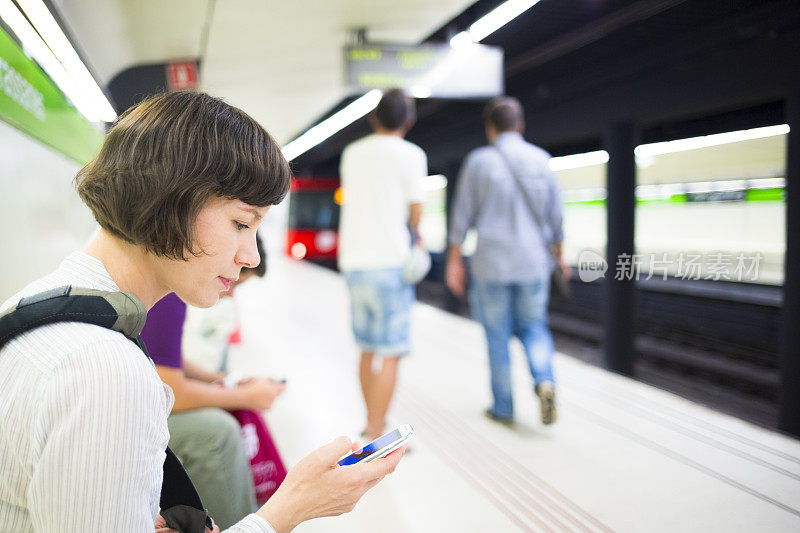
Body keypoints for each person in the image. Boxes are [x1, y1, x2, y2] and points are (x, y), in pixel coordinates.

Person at [0, 91, 404, 533]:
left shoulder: (38, 306)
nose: (250, 255)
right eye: (241, 223)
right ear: (172, 197)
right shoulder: (106, 370)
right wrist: (289, 510)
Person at [141, 234, 285, 529]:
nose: (230, 293)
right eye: (241, 224)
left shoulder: (161, 281)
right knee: (218, 432)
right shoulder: (170, 294)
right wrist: (245, 397)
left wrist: (227, 381)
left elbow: (167, 364)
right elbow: (173, 392)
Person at [446, 96, 570, 426]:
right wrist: (561, 255)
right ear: (520, 126)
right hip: (533, 264)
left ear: (490, 128)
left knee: (497, 336)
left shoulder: (479, 161)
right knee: (534, 328)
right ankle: (544, 380)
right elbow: (556, 217)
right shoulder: (541, 160)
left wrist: (454, 260)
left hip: (491, 264)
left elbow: (462, 216)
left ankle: (503, 408)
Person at [337, 89, 427, 441]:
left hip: (355, 262)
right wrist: (415, 235)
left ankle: (370, 421)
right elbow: (415, 209)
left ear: (374, 118)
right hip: (391, 263)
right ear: (409, 120)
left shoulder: (352, 153)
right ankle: (377, 427)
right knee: (390, 353)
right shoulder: (411, 155)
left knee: (366, 347)